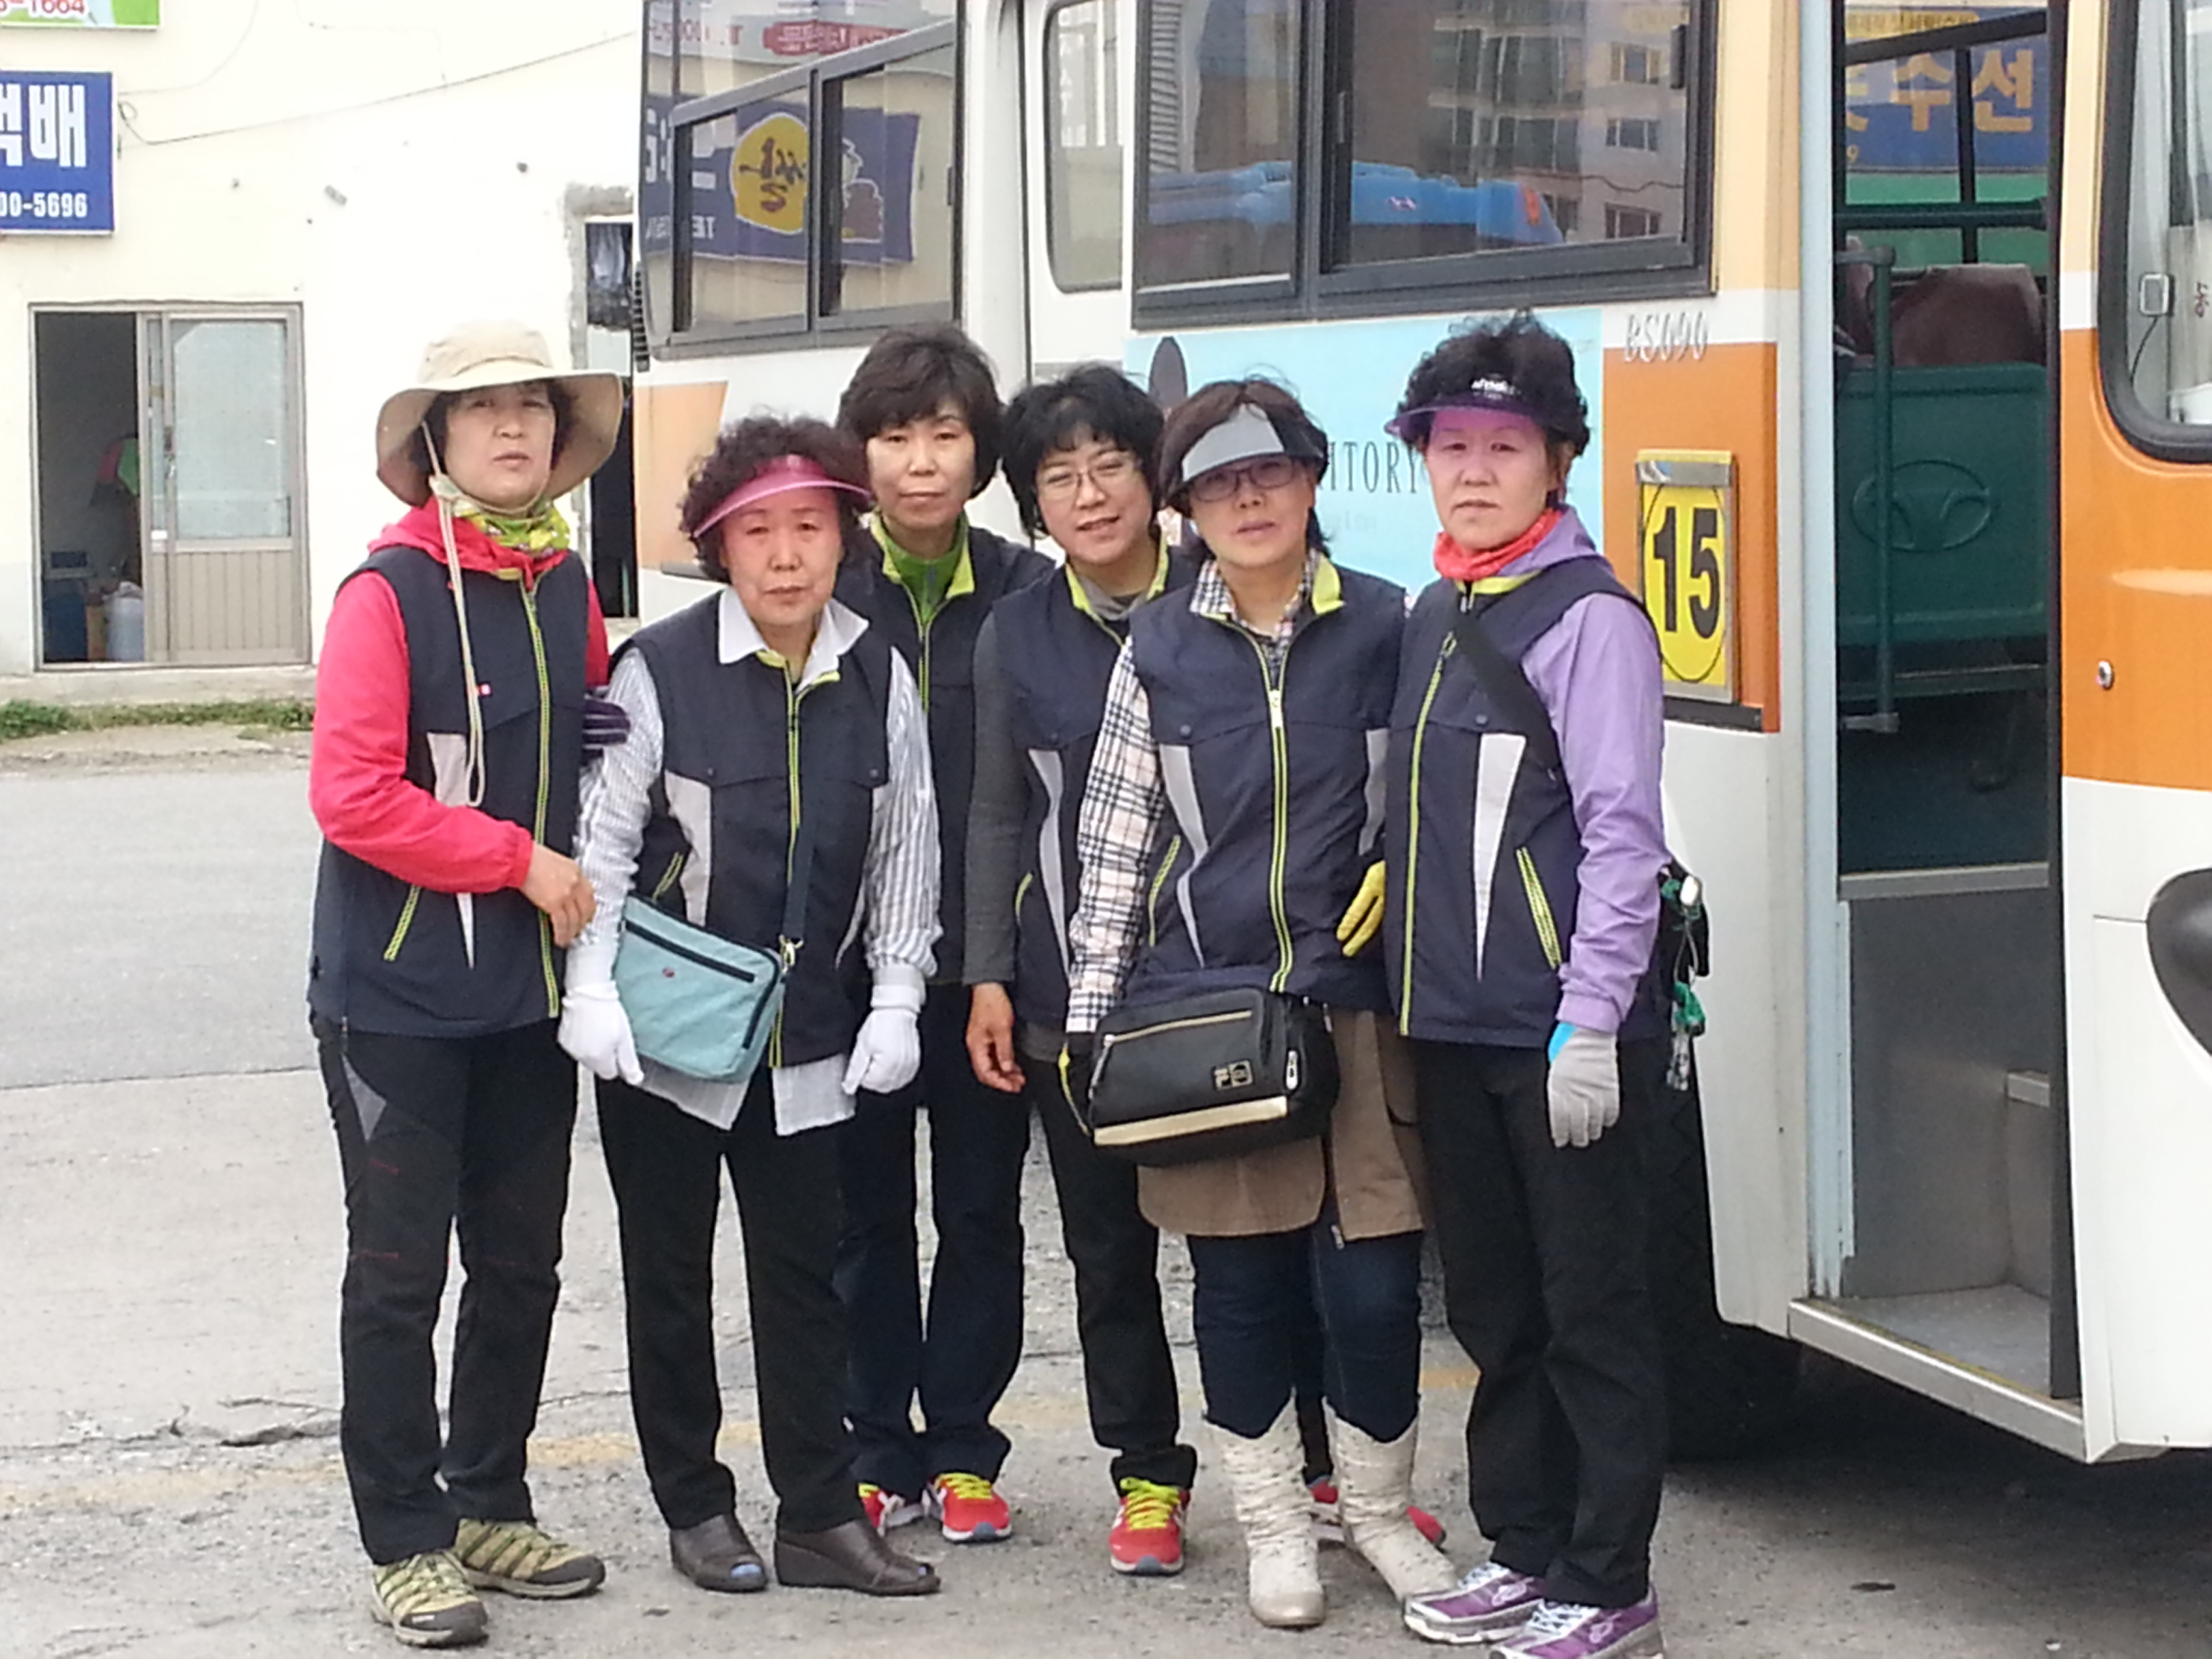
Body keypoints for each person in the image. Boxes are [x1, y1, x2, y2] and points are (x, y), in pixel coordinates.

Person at [1060, 380, 1455, 1629]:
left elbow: (1431, 797)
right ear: (1185, 508)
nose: (1249, 500)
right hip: (1213, 1012)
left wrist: (1405, 882)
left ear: (1311, 480)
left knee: (1374, 1291)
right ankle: (1277, 1530)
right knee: (1236, 1291)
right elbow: (1116, 843)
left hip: (1358, 1009)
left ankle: (1376, 1515)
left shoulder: (1391, 624)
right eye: (1219, 483)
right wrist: (1091, 1017)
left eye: (1270, 473)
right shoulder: (1157, 650)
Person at [557, 417, 943, 1600]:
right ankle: (695, 1505)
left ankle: (819, 1514)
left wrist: (897, 996)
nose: (785, 556)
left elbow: (906, 844)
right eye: (758, 531)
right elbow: (604, 842)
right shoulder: (660, 668)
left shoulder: (877, 670)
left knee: (806, 1279)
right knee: (669, 1275)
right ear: (718, 546)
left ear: (844, 538)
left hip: (810, 1032)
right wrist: (590, 987)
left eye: (809, 528)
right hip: (667, 1030)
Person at [308, 321, 622, 1648]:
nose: (511, 427)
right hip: (396, 997)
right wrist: (516, 860)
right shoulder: (383, 594)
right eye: (482, 408)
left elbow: (594, 755)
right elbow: (351, 795)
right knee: (397, 1274)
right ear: (435, 439)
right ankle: (405, 1539)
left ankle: (489, 1500)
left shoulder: (565, 582)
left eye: (532, 406)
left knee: (521, 1264)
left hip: (530, 996)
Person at [1365, 316, 1672, 1659]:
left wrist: (1591, 1023)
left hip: (1558, 1034)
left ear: (1558, 461)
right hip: (1450, 1024)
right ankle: (1527, 1548)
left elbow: (1622, 835)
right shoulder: (1439, 609)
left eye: (1504, 446)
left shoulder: (1590, 618)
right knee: (1496, 1311)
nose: (1474, 471)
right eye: (1451, 447)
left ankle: (1610, 1582)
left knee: (1590, 1310)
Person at [962, 365, 1202, 1575]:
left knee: (1256, 1250)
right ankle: (1148, 1472)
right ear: (1033, 505)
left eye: (1111, 465)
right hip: (1075, 1001)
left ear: (1154, 476)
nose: (1091, 494)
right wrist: (990, 976)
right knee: (1108, 1254)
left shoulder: (1218, 596)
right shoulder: (1018, 632)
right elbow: (997, 813)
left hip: (1219, 992)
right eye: (1060, 478)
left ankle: (1310, 1466)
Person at [830, 324, 1053, 1542]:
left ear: (981, 452)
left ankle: (965, 1443)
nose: (921, 463)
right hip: (855, 973)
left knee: (979, 1213)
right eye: (895, 436)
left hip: (984, 973)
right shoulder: (826, 584)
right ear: (860, 452)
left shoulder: (1025, 590)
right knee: (862, 1218)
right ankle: (877, 1443)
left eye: (946, 436)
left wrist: (998, 966)